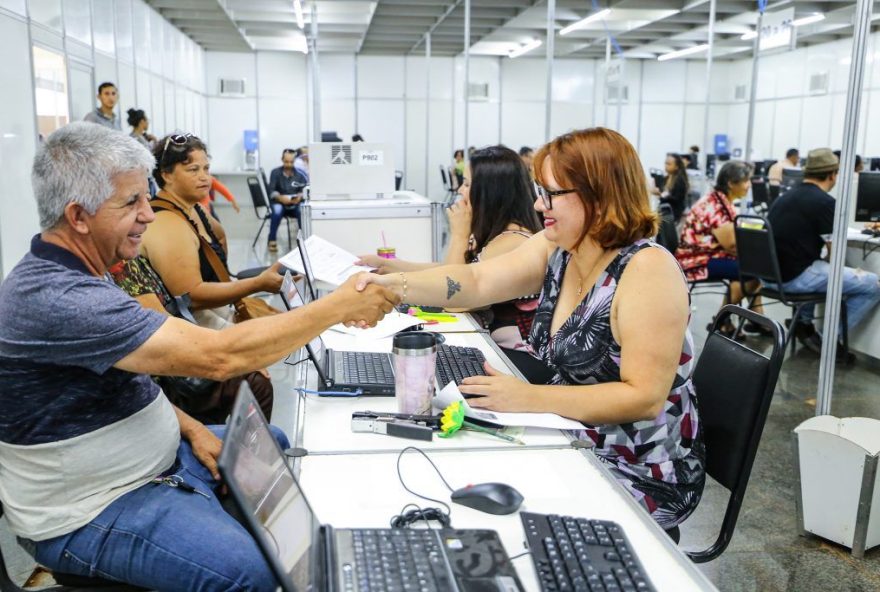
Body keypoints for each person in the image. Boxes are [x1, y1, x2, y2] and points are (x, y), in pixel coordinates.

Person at [0, 122, 397, 591]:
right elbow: (218, 358)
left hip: (150, 458)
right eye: (131, 203)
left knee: (273, 441)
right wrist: (336, 308)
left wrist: (188, 427)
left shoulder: (86, 271)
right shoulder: (59, 297)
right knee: (251, 575)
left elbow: (128, 376)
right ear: (78, 216)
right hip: (91, 505)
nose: (148, 216)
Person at [356, 128, 705, 529]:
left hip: (636, 466)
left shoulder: (648, 270)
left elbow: (643, 398)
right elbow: (478, 282)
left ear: (599, 194)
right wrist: (390, 286)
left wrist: (527, 397)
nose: (540, 204)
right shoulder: (559, 246)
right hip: (571, 434)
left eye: (553, 193)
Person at [358, 146, 543, 351]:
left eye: (466, 184)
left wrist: (459, 235)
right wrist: (389, 266)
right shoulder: (497, 231)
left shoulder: (513, 240)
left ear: (490, 192)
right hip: (489, 343)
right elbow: (450, 269)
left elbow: (455, 297)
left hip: (513, 357)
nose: (460, 191)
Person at [140, 133, 284, 330]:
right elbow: (192, 296)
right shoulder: (167, 222)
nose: (204, 177)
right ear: (166, 175)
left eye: (206, 168)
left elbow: (220, 236)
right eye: (193, 170)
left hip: (214, 306)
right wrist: (257, 284)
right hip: (191, 321)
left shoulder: (192, 207)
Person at [766, 148, 880, 358]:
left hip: (768, 277)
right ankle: (827, 338)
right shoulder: (825, 203)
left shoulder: (784, 197)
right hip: (793, 279)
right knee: (873, 284)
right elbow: (834, 252)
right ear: (832, 175)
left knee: (818, 266)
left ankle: (803, 323)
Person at [674, 161, 767, 337]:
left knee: (750, 269)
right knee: (749, 272)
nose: (749, 185)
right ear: (731, 183)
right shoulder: (717, 206)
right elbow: (731, 245)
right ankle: (722, 320)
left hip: (703, 255)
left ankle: (755, 319)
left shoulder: (720, 200)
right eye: (746, 181)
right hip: (695, 260)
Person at [266, 148, 306, 252]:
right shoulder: (275, 173)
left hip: (295, 203)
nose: (288, 165)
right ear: (282, 160)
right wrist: (280, 197)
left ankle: (305, 240)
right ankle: (272, 239)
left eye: (291, 162)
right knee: (277, 211)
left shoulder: (300, 174)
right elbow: (271, 191)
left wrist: (299, 197)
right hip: (279, 202)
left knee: (303, 211)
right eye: (286, 162)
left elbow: (304, 190)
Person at [650, 153, 690, 221]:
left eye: (669, 164)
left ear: (676, 166)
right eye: (665, 163)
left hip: (673, 214)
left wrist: (660, 195)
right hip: (666, 212)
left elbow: (675, 199)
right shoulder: (667, 178)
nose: (666, 166)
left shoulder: (680, 181)